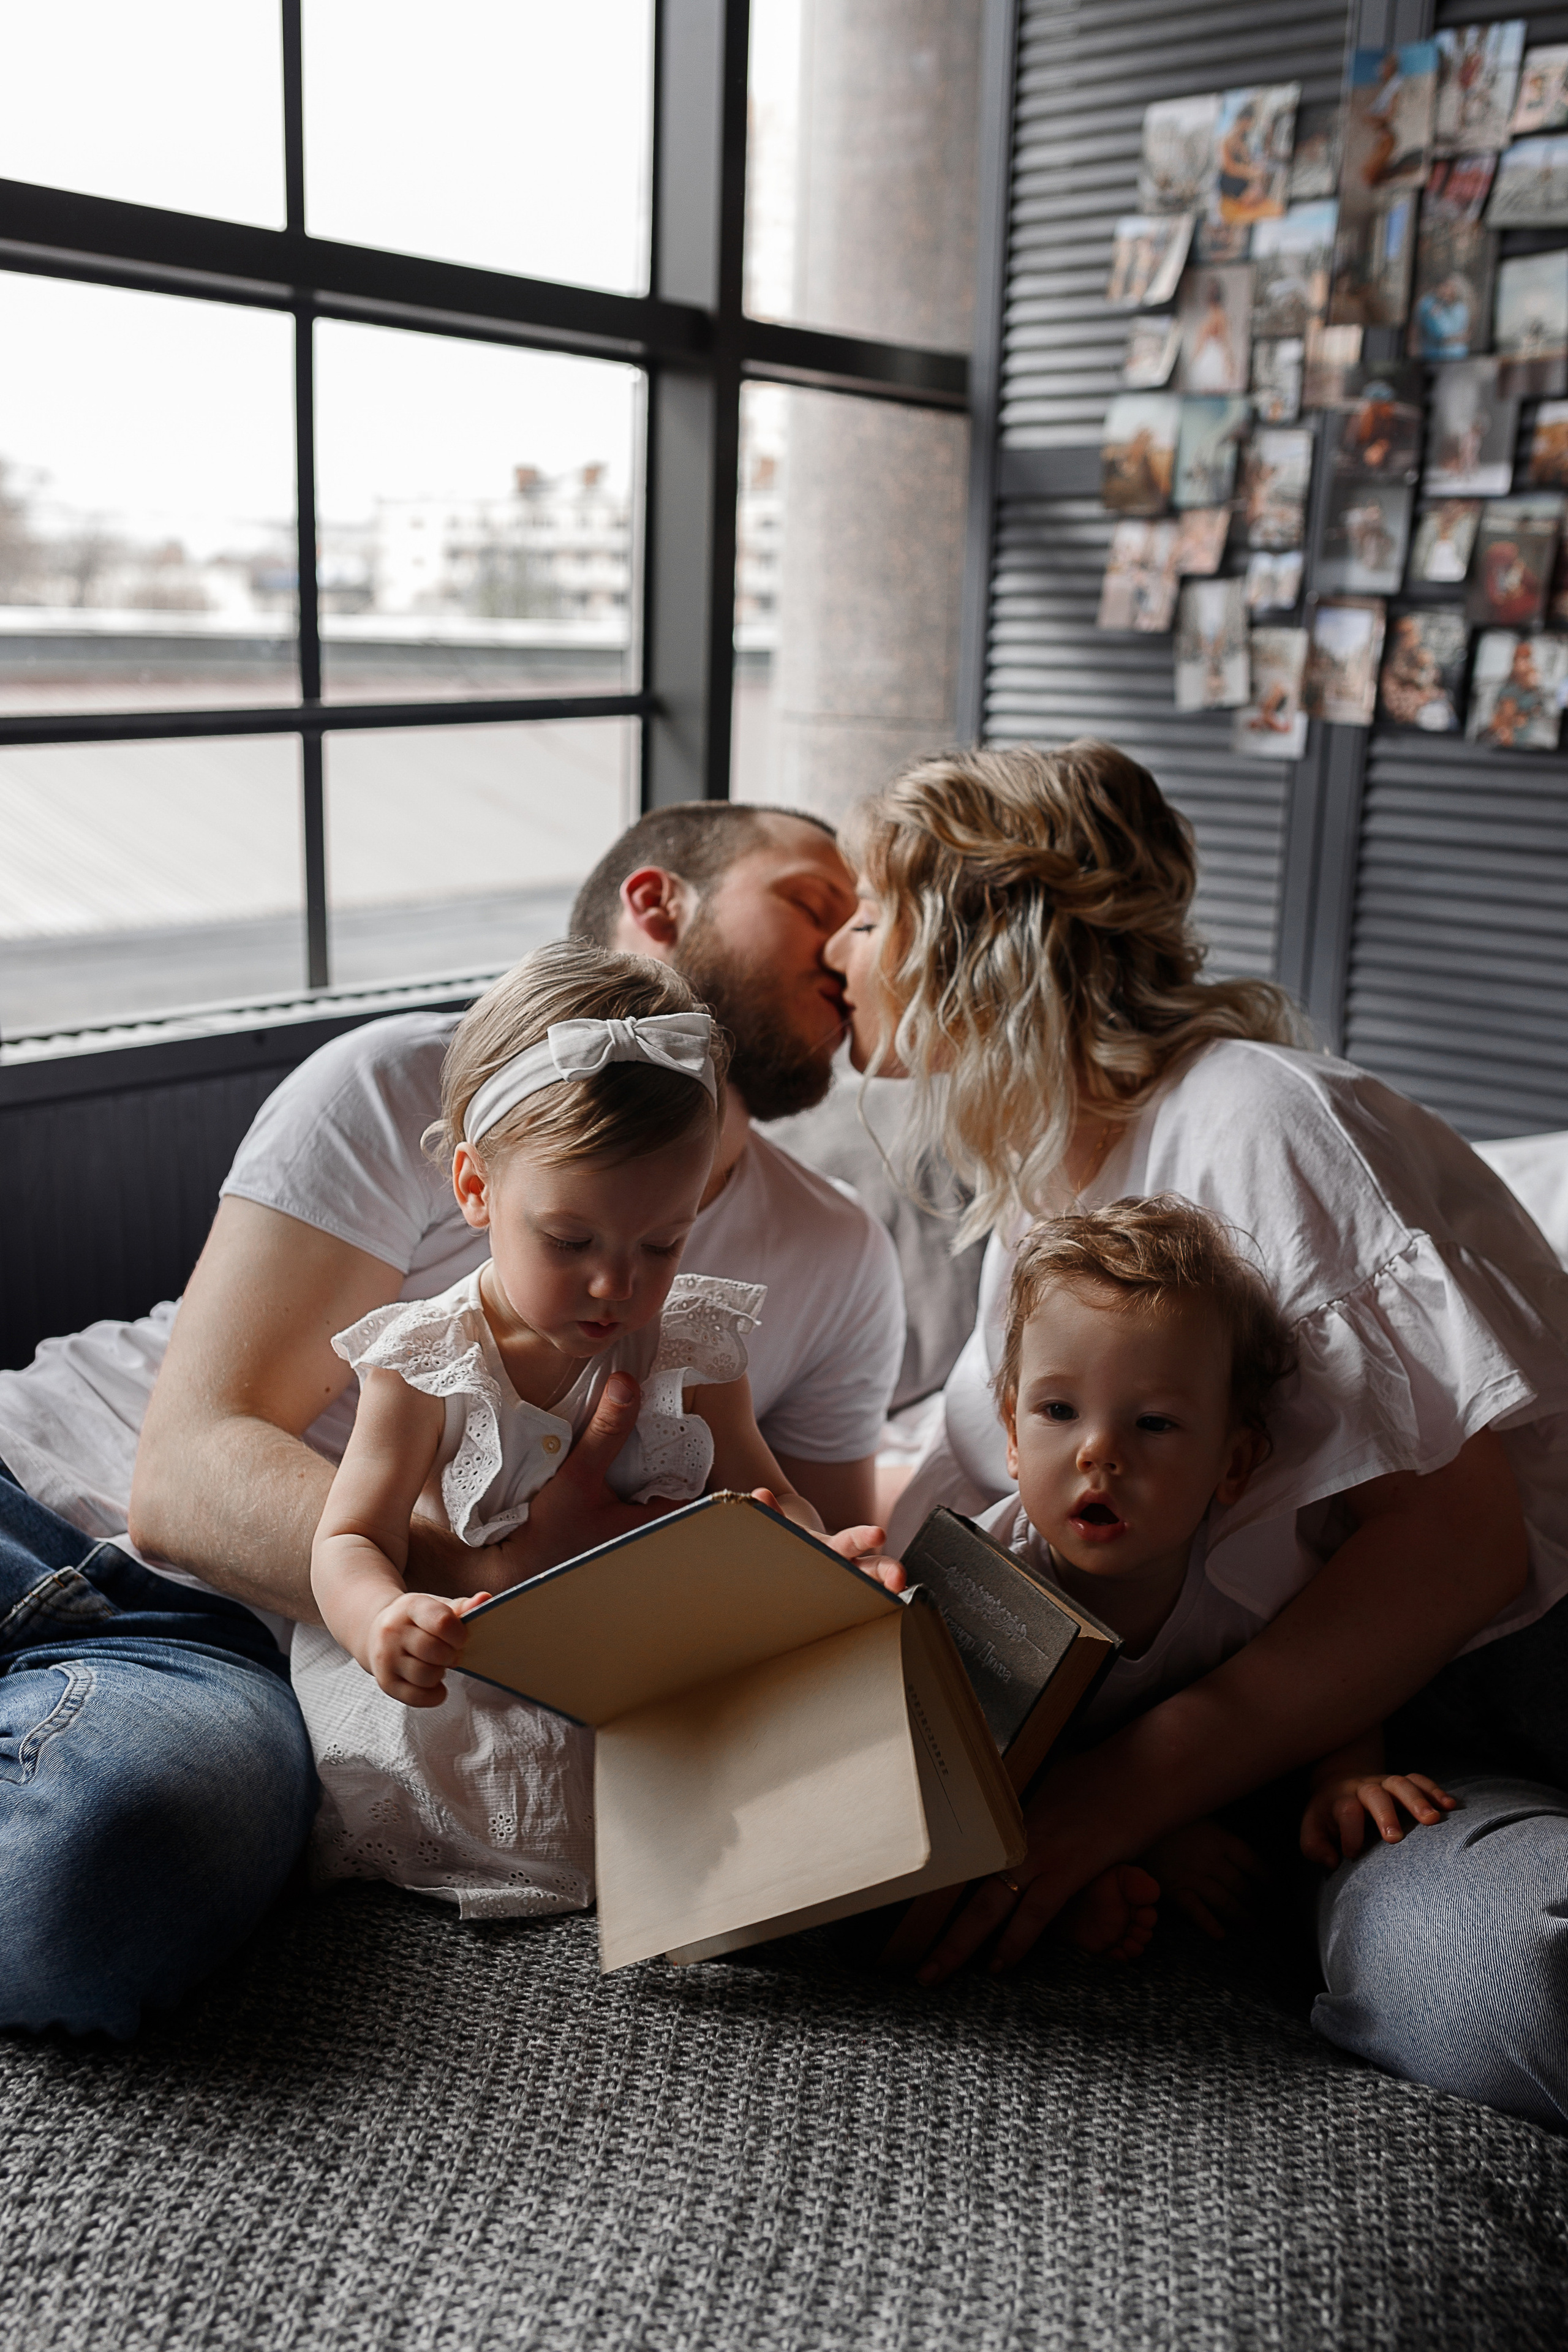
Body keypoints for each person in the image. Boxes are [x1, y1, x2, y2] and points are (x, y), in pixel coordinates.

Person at [0, 801, 904, 2035]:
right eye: (813, 898)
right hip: (55, 1495)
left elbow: (790, 1557)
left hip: (243, 1646)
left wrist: (833, 1583)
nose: (851, 937)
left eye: (869, 918)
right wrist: (511, 1579)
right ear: (658, 906)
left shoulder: (823, 1259)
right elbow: (184, 1475)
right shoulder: (398, 1086)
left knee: (109, 1887)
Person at [826, 737, 1568, 2131]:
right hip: (1309, 1747)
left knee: (1521, 1974)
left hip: (1479, 1671)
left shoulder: (1251, 1121)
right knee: (1480, 1986)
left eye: (868, 913)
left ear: (971, 931)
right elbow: (995, 1502)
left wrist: (1114, 1796)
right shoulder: (1039, 1209)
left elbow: (1460, 1546)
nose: (839, 949)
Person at [296, 941, 900, 1913]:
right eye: (570, 1242)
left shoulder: (693, 1340)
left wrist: (810, 1545)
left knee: (818, 1792)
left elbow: (760, 1489)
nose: (618, 1285)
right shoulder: (426, 1359)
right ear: (476, 1188)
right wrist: (380, 1619)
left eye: (663, 1243)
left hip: (645, 1662)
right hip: (481, 1678)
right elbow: (349, 1535)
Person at [979, 1197, 1455, 1964]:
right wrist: (1149, 1835)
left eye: (1155, 1424)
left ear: (1233, 1464)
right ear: (1009, 1432)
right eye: (1059, 1410)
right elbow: (960, 1753)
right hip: (1051, 1800)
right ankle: (1083, 1892)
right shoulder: (990, 1576)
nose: (1097, 1452)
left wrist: (1345, 1777)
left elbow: (1335, 1684)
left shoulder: (1252, 1583)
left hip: (1225, 1803)